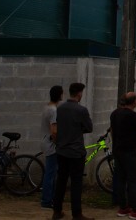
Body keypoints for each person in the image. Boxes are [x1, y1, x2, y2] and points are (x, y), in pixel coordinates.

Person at [53, 82, 94, 220]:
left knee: (61, 181)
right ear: (79, 94)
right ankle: (77, 213)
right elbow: (89, 128)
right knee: (76, 183)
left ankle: (57, 211)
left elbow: (58, 125)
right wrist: (78, 129)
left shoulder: (60, 108)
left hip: (61, 150)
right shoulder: (81, 110)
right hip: (76, 152)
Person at [110, 92, 136, 220]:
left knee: (120, 180)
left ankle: (123, 207)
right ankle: (135, 209)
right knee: (133, 180)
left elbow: (112, 131)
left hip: (118, 151)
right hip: (130, 152)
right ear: (134, 102)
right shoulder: (133, 115)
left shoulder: (115, 113)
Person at [40, 85, 63, 210]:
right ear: (60, 95)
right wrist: (58, 143)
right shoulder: (54, 110)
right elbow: (54, 131)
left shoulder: (46, 107)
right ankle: (47, 200)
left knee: (50, 172)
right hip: (51, 144)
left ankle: (49, 198)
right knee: (51, 173)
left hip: (45, 141)